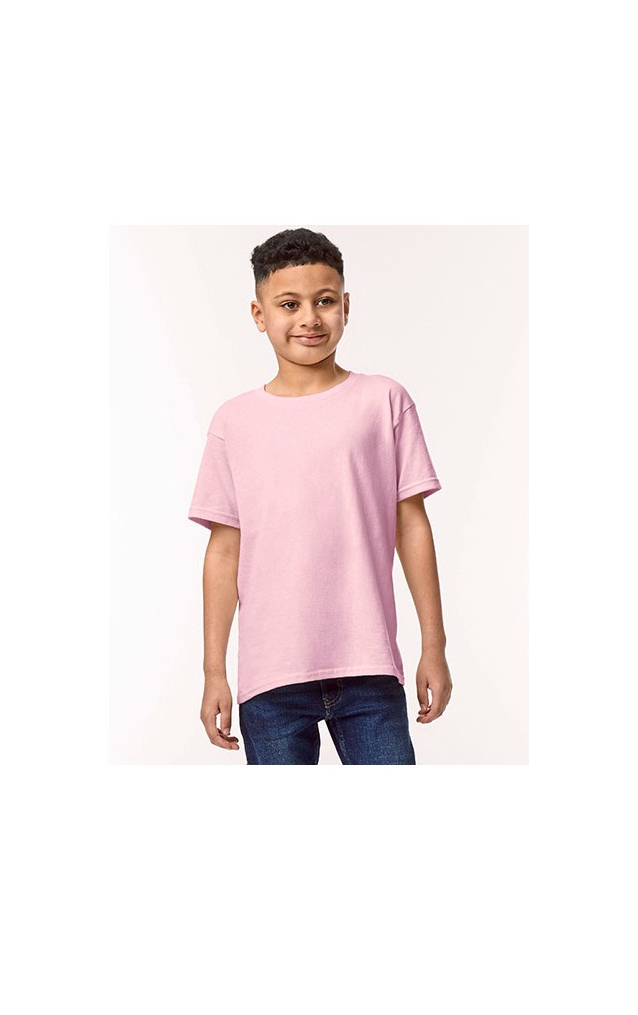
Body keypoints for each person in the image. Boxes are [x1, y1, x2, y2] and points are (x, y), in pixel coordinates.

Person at [187, 228, 452, 764]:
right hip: (271, 678)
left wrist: (434, 646)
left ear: (346, 307)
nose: (309, 318)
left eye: (324, 301)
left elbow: (411, 525)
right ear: (260, 314)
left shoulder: (383, 401)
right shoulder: (234, 422)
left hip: (369, 667)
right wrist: (214, 671)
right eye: (289, 304)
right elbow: (224, 550)